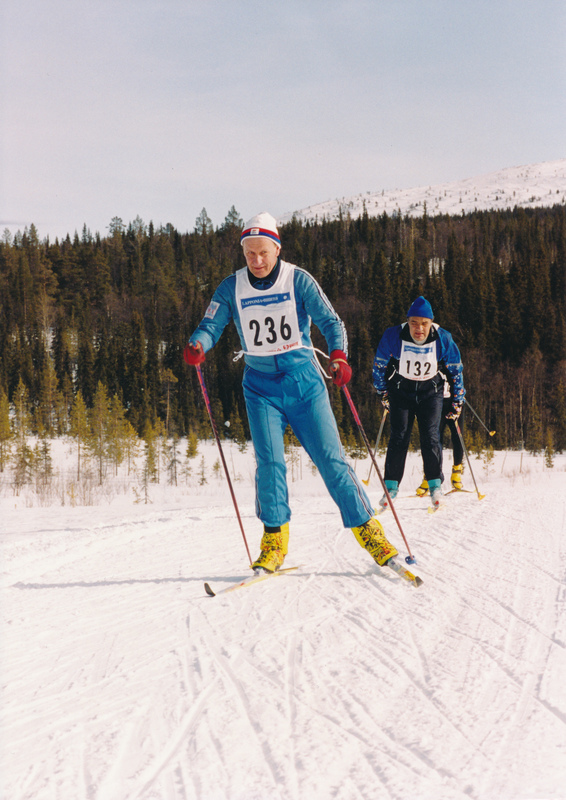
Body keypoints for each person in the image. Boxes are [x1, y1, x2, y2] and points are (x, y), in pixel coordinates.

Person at [184, 212, 398, 572]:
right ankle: (274, 541)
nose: (257, 261)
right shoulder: (231, 287)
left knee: (332, 461)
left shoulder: (297, 280)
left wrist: (339, 356)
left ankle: (369, 531)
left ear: (277, 248)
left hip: (304, 384)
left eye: (263, 252)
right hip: (260, 388)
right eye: (249, 254)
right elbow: (212, 323)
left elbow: (332, 322)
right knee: (269, 465)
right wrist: (198, 344)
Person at [372, 296, 465, 509]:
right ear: (408, 322)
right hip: (400, 392)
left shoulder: (443, 338)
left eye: (424, 323)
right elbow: (378, 368)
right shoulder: (393, 335)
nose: (419, 329)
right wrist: (383, 393)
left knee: (431, 436)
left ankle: (435, 486)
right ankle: (391, 488)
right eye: (414, 322)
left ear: (431, 323)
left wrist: (457, 400)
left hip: (430, 393)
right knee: (399, 435)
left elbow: (455, 371)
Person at [416, 380, 465, 495]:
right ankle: (431, 476)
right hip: (435, 402)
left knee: (458, 437)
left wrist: (458, 400)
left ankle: (457, 472)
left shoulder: (452, 362)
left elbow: (458, 376)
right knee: (434, 440)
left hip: (454, 401)